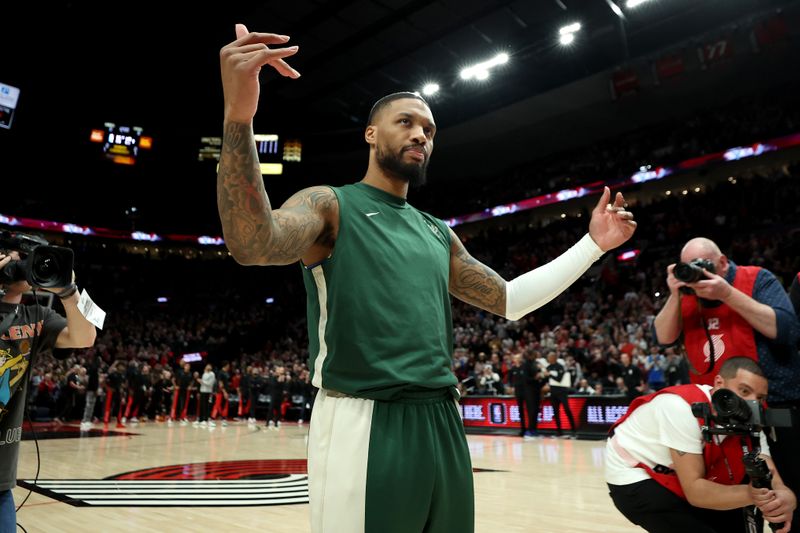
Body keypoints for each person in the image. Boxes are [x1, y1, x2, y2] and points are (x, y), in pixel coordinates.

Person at [216, 23, 636, 533]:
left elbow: (510, 299)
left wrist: (593, 245)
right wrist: (239, 118)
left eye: (430, 130)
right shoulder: (329, 204)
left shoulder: (438, 232)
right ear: (371, 134)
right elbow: (252, 243)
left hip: (442, 417)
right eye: (407, 122)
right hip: (364, 418)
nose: (420, 134)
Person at [653, 237, 800, 525]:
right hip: (720, 417)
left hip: (776, 405)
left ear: (722, 263)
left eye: (703, 265)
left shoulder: (757, 278)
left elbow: (786, 330)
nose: (697, 273)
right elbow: (662, 338)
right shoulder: (686, 295)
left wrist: (727, 294)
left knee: (788, 491)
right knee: (737, 501)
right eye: (689, 267)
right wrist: (675, 294)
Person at [606, 357, 796, 533]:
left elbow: (765, 463)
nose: (752, 403)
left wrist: (785, 496)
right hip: (635, 472)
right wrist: (752, 494)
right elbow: (696, 492)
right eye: (744, 391)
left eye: (760, 397)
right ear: (719, 383)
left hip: (683, 470)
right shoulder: (681, 407)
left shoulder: (751, 415)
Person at [0, 249, 96, 530]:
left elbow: (85, 336)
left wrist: (68, 291)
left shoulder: (35, 316)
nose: (20, 265)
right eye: (11, 257)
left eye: (25, 259)